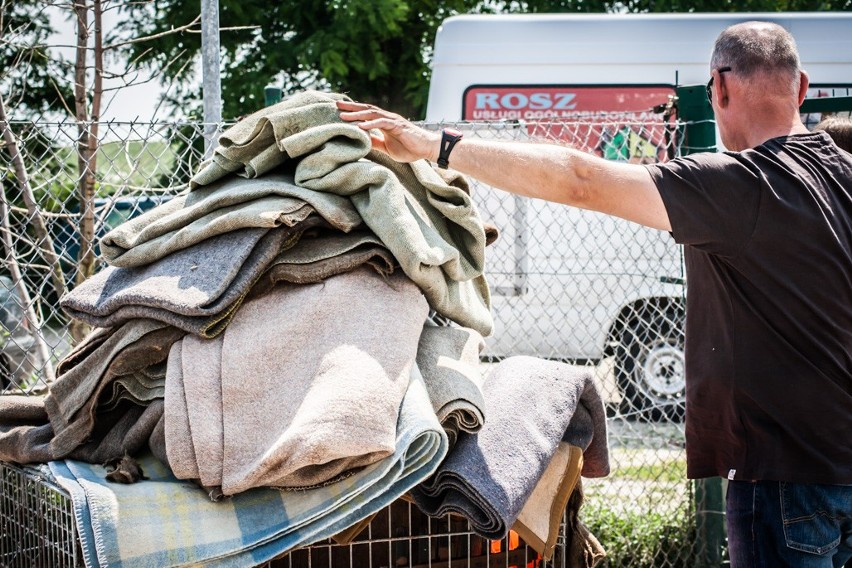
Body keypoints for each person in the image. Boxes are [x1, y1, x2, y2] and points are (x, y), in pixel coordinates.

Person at [338, 20, 852, 568]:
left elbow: (581, 179)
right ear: (801, 89)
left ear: (719, 90)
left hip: (785, 480)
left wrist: (432, 144)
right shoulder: (844, 173)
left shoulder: (740, 185)